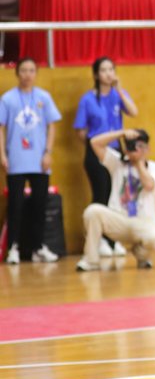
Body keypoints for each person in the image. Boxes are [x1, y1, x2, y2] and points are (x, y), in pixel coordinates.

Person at [73, 57, 138, 259]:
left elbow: (133, 112)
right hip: (96, 151)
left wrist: (120, 90)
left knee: (116, 195)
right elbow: (80, 131)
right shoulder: (87, 99)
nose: (109, 74)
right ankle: (99, 240)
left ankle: (113, 239)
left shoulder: (119, 95)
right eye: (104, 70)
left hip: (117, 152)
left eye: (111, 69)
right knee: (100, 194)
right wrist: (94, 146)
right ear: (96, 74)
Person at [77, 127, 155, 270]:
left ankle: (141, 255)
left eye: (140, 145)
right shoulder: (117, 162)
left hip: (144, 220)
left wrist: (138, 161)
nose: (136, 148)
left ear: (147, 149)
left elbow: (149, 185)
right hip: (119, 219)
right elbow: (94, 143)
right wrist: (121, 133)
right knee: (92, 211)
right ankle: (90, 260)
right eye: (132, 145)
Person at [0, 58, 61, 265]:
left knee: (39, 205)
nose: (28, 74)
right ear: (17, 73)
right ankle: (14, 248)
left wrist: (48, 152)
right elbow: (1, 127)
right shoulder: (8, 99)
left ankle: (38, 247)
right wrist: (2, 155)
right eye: (24, 70)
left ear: (36, 73)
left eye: (32, 70)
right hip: (16, 160)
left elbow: (52, 125)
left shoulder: (44, 97)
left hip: (39, 160)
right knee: (15, 205)